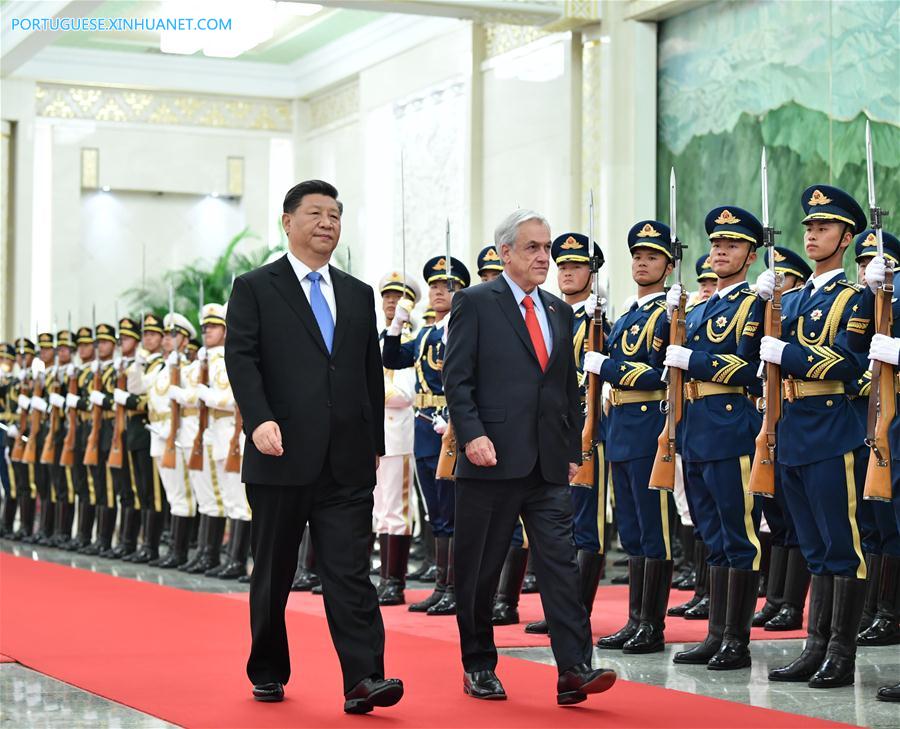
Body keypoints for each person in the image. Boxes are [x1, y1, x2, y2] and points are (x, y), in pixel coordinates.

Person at [225, 179, 402, 713]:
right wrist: (258, 421)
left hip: (346, 460)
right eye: (316, 213)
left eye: (335, 215)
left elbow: (369, 372)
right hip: (280, 454)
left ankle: (364, 678)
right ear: (288, 221)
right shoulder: (256, 287)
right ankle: (268, 668)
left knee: (349, 570)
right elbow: (242, 359)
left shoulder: (356, 292)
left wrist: (373, 442)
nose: (327, 223)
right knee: (275, 569)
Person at [443, 208, 617, 705]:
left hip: (546, 465)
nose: (545, 257)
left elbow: (565, 388)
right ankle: (478, 664)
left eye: (548, 248)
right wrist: (472, 435)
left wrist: (567, 450)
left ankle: (573, 668)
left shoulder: (559, 312)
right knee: (480, 569)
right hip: (489, 459)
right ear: (505, 254)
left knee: (560, 564)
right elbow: (457, 379)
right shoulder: (475, 302)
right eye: (533, 248)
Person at [743, 184, 868, 689]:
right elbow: (755, 358)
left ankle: (841, 652)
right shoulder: (789, 300)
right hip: (791, 429)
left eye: (824, 227)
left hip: (832, 429)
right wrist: (760, 312)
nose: (813, 235)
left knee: (841, 546)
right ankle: (814, 646)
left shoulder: (855, 298)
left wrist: (785, 352)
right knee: (812, 546)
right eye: (810, 228)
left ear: (847, 237)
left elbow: (850, 361)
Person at [661, 206, 764, 670]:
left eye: (733, 245)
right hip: (697, 427)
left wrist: (693, 361)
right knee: (710, 534)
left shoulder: (755, 305)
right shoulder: (700, 307)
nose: (721, 251)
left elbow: (750, 369)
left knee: (738, 533)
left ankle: (736, 642)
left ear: (751, 254)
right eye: (717, 244)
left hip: (729, 425)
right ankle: (716, 634)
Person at [374, 271, 420, 606]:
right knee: (380, 508)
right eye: (388, 297)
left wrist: (366, 389)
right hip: (376, 434)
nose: (392, 302)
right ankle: (384, 577)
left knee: (396, 508)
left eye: (399, 297)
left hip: (397, 433)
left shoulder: (409, 341)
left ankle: (395, 581)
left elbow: (404, 393)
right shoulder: (379, 339)